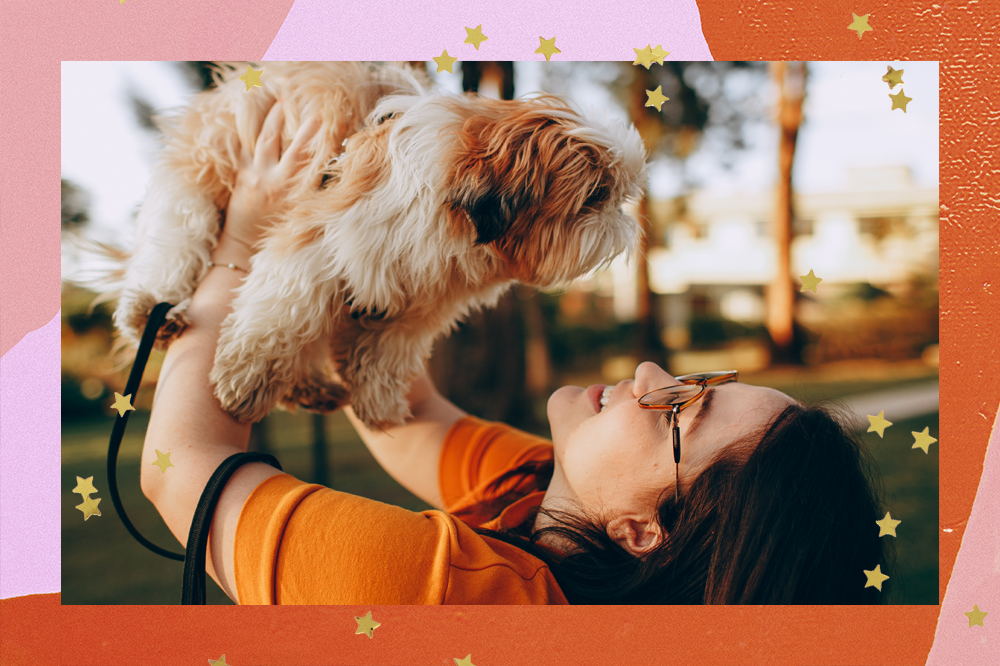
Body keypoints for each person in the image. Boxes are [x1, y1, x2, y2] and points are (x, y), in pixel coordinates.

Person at [141, 99, 893, 605]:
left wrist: (242, 240)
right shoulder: (544, 487)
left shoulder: (453, 599)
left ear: (641, 532)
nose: (646, 374)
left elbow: (179, 472)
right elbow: (400, 413)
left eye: (677, 410)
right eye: (692, 379)